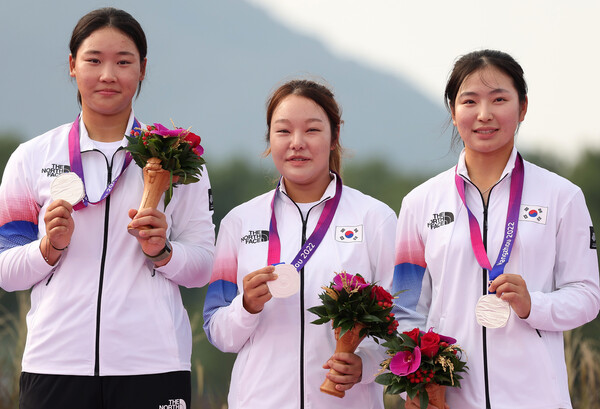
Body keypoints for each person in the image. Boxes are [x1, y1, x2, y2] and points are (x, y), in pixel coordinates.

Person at [0, 8, 215, 409]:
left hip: (152, 366)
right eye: (94, 60)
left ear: (143, 69)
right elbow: (6, 270)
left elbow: (203, 266)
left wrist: (163, 251)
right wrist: (48, 248)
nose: (107, 75)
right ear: (71, 65)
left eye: (123, 62)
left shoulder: (177, 160)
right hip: (55, 365)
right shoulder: (31, 158)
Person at [393, 49, 600, 409]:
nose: (484, 114)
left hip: (535, 397)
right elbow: (407, 308)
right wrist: (415, 382)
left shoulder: (562, 196)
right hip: (450, 399)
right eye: (469, 101)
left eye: (499, 99)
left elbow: (587, 296)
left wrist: (534, 304)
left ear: (522, 108)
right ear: (454, 113)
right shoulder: (420, 203)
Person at [203, 79, 396, 408]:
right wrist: (246, 306)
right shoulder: (239, 222)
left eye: (311, 130)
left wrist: (366, 365)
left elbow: (405, 324)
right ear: (269, 140)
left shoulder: (375, 218)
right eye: (283, 131)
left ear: (334, 137)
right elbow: (218, 333)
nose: (297, 143)